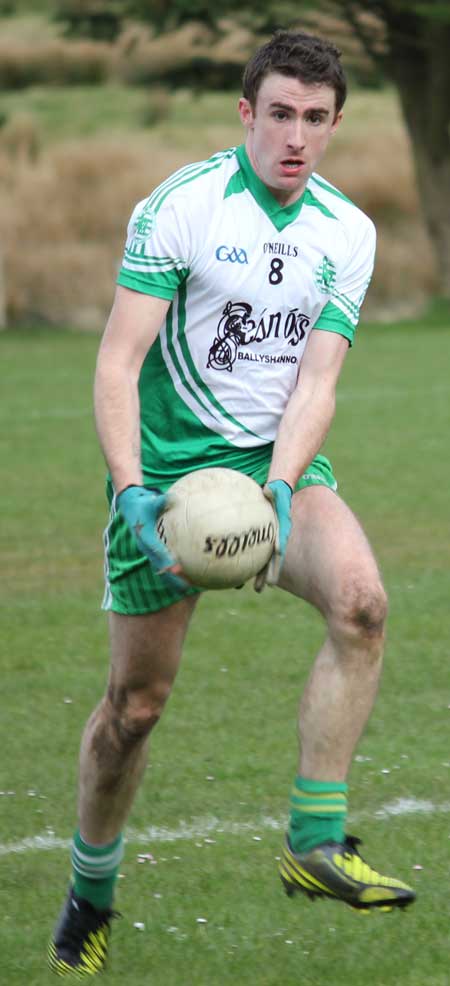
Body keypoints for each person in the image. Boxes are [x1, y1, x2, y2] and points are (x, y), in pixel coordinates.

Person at [49, 28, 415, 978]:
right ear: (247, 112)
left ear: (335, 124)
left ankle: (314, 842)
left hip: (270, 471)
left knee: (363, 606)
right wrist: (132, 492)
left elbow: (318, 382)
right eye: (282, 114)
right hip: (169, 482)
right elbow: (118, 361)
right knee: (136, 708)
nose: (297, 136)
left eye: (317, 119)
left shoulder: (350, 233)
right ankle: (89, 894)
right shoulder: (180, 207)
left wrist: (284, 489)